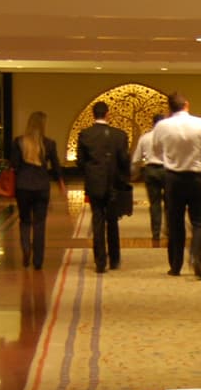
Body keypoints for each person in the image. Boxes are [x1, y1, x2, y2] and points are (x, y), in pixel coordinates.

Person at [152, 91, 201, 278]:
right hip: (197, 178)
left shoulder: (162, 126)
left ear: (169, 108)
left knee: (175, 222)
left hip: (173, 178)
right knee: (200, 221)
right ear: (187, 104)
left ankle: (175, 265)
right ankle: (197, 257)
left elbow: (156, 151)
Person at [75, 101, 132, 273]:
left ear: (94, 114)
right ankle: (114, 259)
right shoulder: (120, 135)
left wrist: (91, 171)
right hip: (113, 182)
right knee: (112, 221)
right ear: (107, 114)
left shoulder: (85, 134)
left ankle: (100, 261)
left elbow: (80, 161)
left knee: (97, 220)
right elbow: (124, 160)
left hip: (94, 183)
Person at [9, 110, 64, 270]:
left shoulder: (18, 142)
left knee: (25, 220)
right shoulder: (49, 143)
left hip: (23, 186)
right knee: (40, 223)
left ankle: (26, 248)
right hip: (41, 186)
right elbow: (56, 166)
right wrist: (61, 183)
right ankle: (38, 261)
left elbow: (14, 164)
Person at [131, 121, 166, 240]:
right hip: (167, 171)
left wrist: (134, 173)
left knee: (154, 203)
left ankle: (156, 232)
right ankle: (170, 229)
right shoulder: (169, 137)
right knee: (170, 202)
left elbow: (136, 159)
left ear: (152, 123)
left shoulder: (145, 138)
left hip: (150, 171)